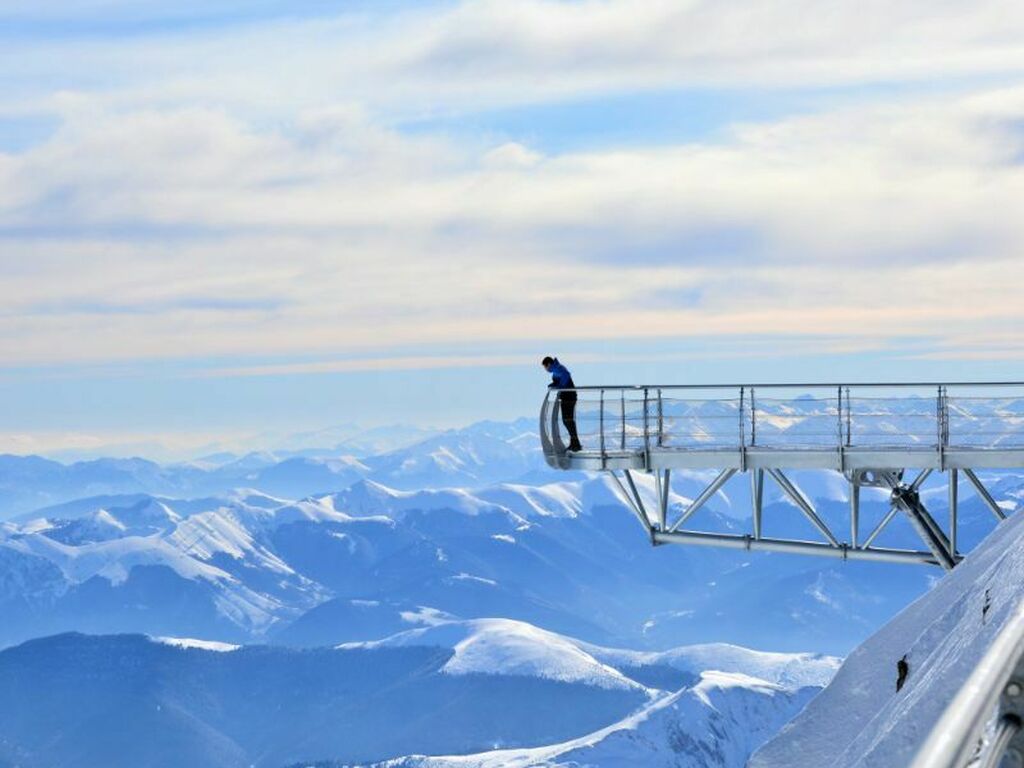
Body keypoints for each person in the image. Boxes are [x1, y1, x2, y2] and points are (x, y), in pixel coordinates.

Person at [542, 356, 582, 452]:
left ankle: (576, 444)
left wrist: (560, 386)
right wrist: (555, 385)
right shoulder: (557, 369)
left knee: (568, 420)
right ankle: (575, 443)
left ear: (549, 364)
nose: (546, 370)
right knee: (567, 421)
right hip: (567, 397)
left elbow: (566, 376)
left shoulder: (558, 369)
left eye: (545, 367)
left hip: (568, 397)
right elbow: (560, 380)